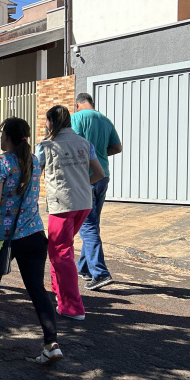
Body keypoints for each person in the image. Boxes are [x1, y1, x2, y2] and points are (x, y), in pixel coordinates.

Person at [0, 118, 63, 363]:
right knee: (37, 289)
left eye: (1, 134)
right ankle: (51, 342)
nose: (0, 138)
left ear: (7, 136)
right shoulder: (34, 161)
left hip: (1, 236)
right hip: (33, 234)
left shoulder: (1, 163)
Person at [36, 105, 105, 321]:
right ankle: (60, 294)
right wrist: (82, 185)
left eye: (47, 121)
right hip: (83, 202)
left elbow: (34, 172)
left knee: (60, 251)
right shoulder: (85, 143)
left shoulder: (46, 146)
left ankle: (72, 306)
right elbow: (99, 173)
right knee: (63, 248)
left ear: (51, 122)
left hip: (62, 204)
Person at [72, 93, 123, 290]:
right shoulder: (105, 119)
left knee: (87, 226)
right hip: (103, 176)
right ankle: (85, 268)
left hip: (86, 176)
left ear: (77, 105)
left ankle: (100, 273)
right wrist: (100, 153)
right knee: (92, 223)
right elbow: (117, 147)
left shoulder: (76, 118)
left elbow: (74, 144)